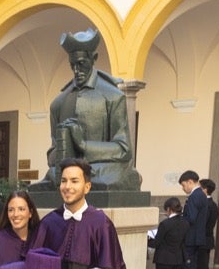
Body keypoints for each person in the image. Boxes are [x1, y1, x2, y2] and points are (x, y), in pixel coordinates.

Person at [35, 28, 141, 190]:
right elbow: (52, 156)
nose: (76, 71)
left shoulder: (112, 96)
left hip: (101, 169)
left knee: (114, 177)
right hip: (66, 170)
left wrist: (83, 145)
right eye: (72, 65)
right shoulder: (59, 103)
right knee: (53, 176)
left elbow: (124, 149)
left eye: (81, 64)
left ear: (93, 59)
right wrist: (64, 146)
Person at [178, 171, 206, 269]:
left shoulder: (195, 196)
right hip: (196, 239)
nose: (183, 189)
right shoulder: (201, 195)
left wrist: (178, 221)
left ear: (190, 182)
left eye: (183, 185)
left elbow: (191, 219)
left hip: (190, 240)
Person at [196, 179, 219, 269]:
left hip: (203, 241)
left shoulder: (208, 205)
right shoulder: (211, 204)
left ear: (205, 189)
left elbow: (202, 224)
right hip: (206, 240)